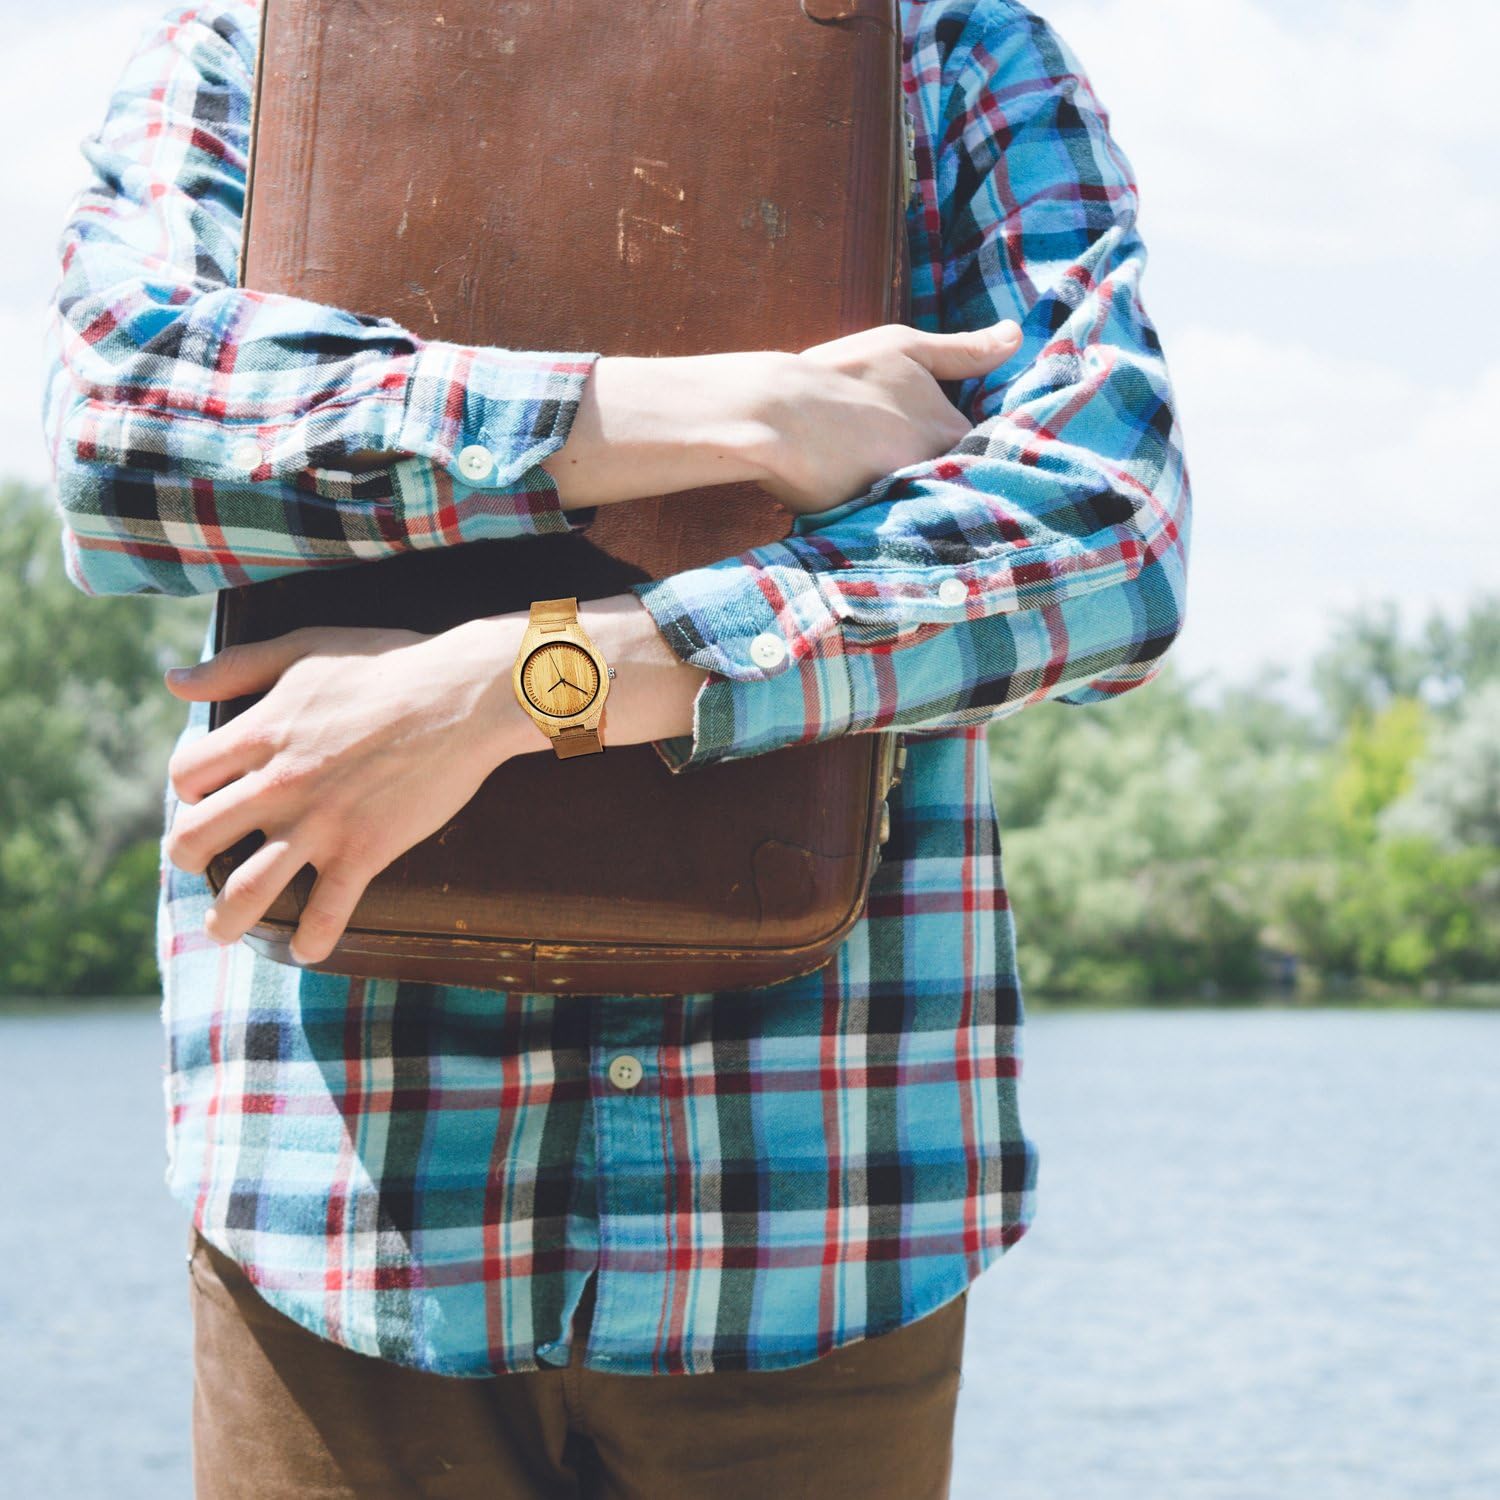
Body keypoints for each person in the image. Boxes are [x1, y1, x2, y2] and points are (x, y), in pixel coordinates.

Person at [42, 0, 1191, 1494]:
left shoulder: (944, 51)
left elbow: (1112, 542)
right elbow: (118, 437)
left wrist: (513, 688)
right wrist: (716, 413)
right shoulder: (262, 40)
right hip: (336, 1207)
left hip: (818, 1217)